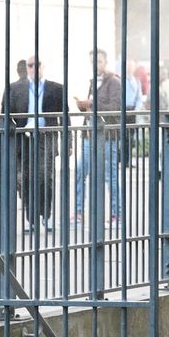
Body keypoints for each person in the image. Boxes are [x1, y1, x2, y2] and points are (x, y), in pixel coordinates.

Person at [3, 56, 63, 231]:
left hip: (46, 137)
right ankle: (31, 218)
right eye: (30, 65)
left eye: (37, 65)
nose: (34, 68)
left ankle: (46, 214)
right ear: (26, 68)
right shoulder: (14, 89)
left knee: (45, 177)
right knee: (27, 179)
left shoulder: (56, 88)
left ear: (44, 66)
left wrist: (68, 144)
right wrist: (5, 141)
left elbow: (64, 117)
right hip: (23, 138)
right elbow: (4, 115)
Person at [74, 49, 124, 225]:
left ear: (106, 62)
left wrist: (91, 104)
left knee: (110, 176)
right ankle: (78, 213)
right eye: (93, 62)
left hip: (107, 137)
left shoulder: (114, 82)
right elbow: (92, 107)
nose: (95, 65)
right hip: (89, 135)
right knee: (81, 171)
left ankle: (116, 215)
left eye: (99, 61)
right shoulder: (94, 82)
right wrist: (83, 106)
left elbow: (115, 108)